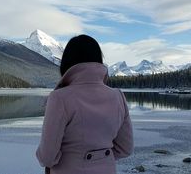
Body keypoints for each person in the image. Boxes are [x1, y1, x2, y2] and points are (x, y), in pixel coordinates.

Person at [36, 35, 134, 174]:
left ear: (67, 63)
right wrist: (100, 159)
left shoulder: (60, 98)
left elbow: (47, 157)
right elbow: (125, 148)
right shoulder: (118, 96)